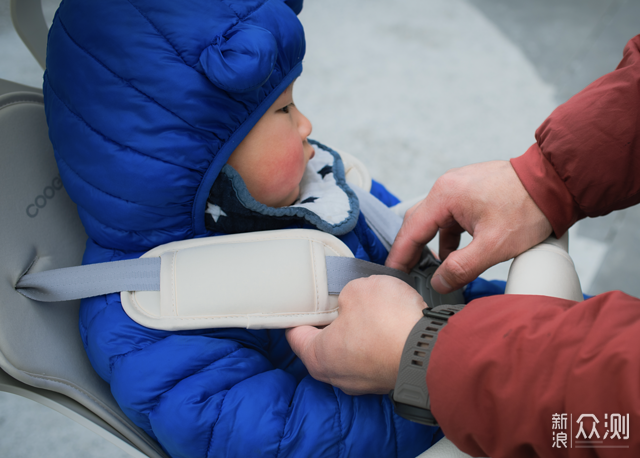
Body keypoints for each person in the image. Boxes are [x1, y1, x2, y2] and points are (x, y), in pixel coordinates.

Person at [43, 1, 451, 457]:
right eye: (284, 110)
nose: (307, 126)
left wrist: (506, 316)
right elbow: (268, 439)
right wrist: (445, 394)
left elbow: (439, 276)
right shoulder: (153, 312)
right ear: (202, 158)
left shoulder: (319, 186)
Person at [287, 34, 640, 457]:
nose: (306, 124)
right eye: (281, 110)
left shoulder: (341, 191)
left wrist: (428, 353)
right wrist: (547, 179)